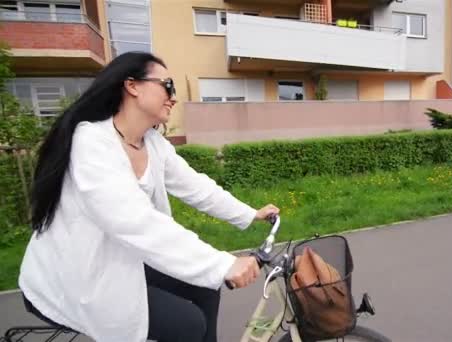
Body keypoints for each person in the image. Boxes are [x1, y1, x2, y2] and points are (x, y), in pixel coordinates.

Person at [18, 52, 279, 342]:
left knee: (206, 287)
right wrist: (222, 264)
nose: (173, 97)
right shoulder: (92, 142)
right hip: (78, 275)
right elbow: (135, 221)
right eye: (167, 86)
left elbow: (197, 187)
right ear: (132, 86)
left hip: (123, 258)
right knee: (187, 324)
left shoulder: (153, 143)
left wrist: (249, 213)